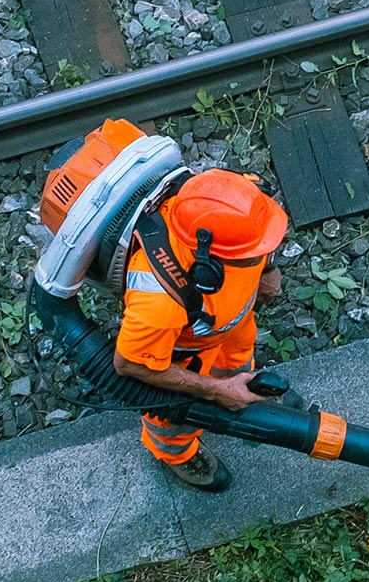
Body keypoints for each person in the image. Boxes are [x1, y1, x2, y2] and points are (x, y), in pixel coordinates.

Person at [108, 164, 289, 493]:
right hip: (185, 353)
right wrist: (214, 390)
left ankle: (242, 391)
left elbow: (261, 234)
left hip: (227, 324)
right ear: (209, 265)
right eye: (253, 256)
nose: (262, 256)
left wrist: (268, 269)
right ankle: (177, 454)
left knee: (237, 359)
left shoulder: (232, 197)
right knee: (172, 418)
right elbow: (129, 364)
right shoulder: (159, 302)